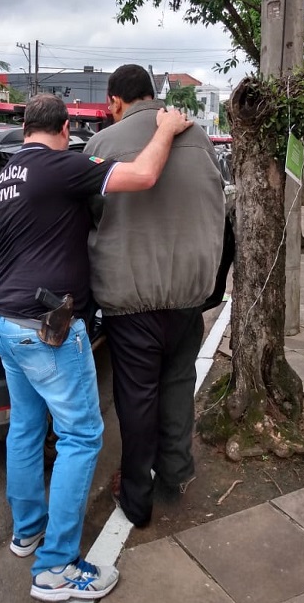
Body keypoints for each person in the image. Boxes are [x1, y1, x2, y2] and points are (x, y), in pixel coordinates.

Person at [0, 93, 192, 603]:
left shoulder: (9, 173)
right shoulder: (63, 167)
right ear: (62, 130)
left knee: (27, 427)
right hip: (47, 328)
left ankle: (27, 531)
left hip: (4, 322)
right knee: (81, 436)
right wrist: (165, 128)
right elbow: (142, 176)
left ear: (24, 128)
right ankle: (55, 568)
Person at [84, 64, 226, 529]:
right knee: (178, 384)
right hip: (190, 295)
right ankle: (176, 473)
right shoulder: (199, 138)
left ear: (116, 102)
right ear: (150, 94)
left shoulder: (102, 145)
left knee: (137, 397)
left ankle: (137, 497)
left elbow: (87, 220)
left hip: (130, 300)